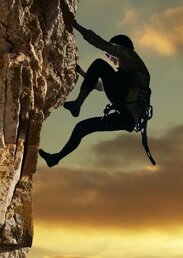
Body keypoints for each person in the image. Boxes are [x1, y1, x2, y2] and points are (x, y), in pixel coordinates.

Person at [39, 18, 155, 167]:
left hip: (124, 108)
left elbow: (100, 43)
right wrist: (80, 71)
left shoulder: (128, 55)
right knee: (81, 127)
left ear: (119, 48)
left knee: (99, 64)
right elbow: (100, 86)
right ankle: (55, 158)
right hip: (127, 120)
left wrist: (75, 25)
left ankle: (77, 104)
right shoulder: (132, 70)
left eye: (111, 53)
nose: (110, 57)